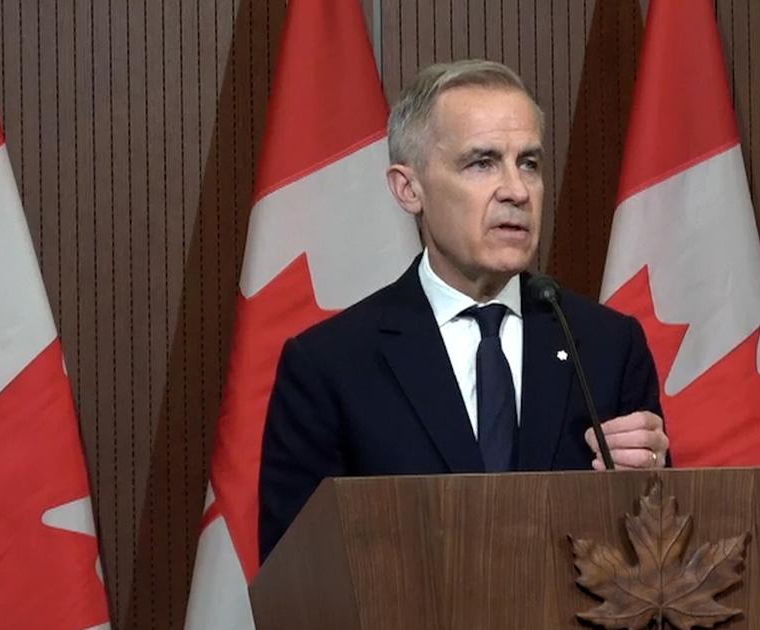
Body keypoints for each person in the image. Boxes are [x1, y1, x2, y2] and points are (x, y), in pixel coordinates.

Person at [258, 60, 669, 562]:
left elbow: (655, 555)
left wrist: (649, 483)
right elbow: (299, 576)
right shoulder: (330, 365)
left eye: (529, 163)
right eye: (482, 163)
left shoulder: (606, 347)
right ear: (409, 189)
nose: (517, 190)